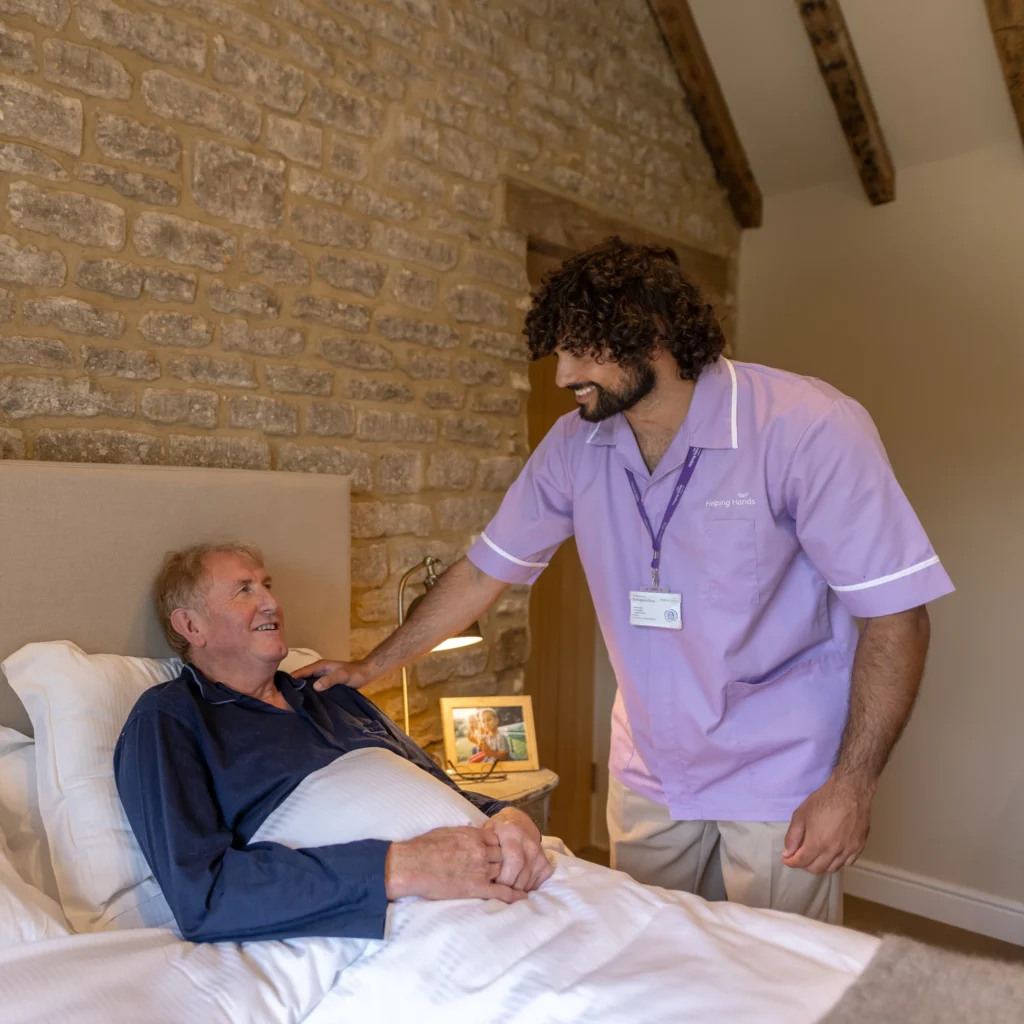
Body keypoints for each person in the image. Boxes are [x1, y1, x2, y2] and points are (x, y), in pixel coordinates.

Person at [297, 237, 955, 924]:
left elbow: (897, 613)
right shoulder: (575, 446)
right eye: (560, 349)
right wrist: (372, 665)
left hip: (779, 768)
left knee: (779, 979)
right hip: (653, 763)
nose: (562, 375)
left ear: (655, 336)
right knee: (646, 949)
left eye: (583, 349)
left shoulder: (806, 427)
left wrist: (852, 784)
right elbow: (481, 572)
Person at [113, 542, 551, 944]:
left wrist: (510, 817)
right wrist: (404, 866)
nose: (271, 602)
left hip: (512, 876)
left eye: (267, 585)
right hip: (406, 922)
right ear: (191, 625)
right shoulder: (169, 717)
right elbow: (204, 896)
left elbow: (443, 787)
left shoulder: (331, 691)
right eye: (244, 590)